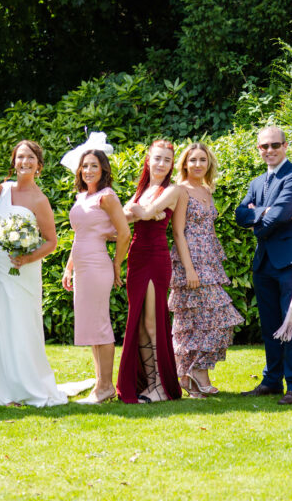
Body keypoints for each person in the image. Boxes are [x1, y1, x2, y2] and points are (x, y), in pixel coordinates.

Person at [0, 140, 68, 407]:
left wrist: (26, 258)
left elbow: (51, 241)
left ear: (39, 165)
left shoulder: (40, 200)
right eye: (20, 157)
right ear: (13, 161)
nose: (24, 162)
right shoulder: (1, 189)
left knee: (22, 324)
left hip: (24, 270)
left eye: (30, 158)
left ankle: (28, 383)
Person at [235, 126, 292, 405]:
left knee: (291, 324)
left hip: (289, 261)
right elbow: (239, 214)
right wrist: (263, 213)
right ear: (259, 149)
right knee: (269, 325)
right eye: (264, 146)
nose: (269, 150)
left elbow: (281, 214)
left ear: (285, 146)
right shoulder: (256, 182)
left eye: (275, 145)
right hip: (264, 262)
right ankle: (271, 381)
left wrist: (257, 218)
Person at [169, 142, 244, 398]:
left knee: (208, 321)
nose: (198, 164)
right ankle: (196, 374)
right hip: (190, 261)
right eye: (193, 160)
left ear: (208, 163)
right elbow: (178, 232)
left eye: (202, 160)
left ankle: (192, 376)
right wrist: (189, 269)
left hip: (209, 260)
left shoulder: (206, 190)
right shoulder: (181, 190)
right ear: (185, 164)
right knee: (198, 321)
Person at [115, 140, 182, 404]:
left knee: (153, 323)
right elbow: (123, 218)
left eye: (167, 160)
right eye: (157, 158)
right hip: (136, 258)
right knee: (139, 324)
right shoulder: (141, 190)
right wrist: (142, 212)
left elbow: (140, 214)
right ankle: (149, 383)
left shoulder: (173, 190)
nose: (161, 164)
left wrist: (143, 212)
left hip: (155, 258)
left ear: (172, 164)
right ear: (148, 160)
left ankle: (161, 387)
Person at [63, 149, 130, 404]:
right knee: (92, 327)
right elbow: (79, 235)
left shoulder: (107, 196)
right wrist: (69, 268)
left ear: (103, 170)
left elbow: (124, 233)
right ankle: (101, 384)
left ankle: (105, 387)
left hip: (97, 265)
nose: (88, 170)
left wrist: (117, 264)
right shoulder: (82, 197)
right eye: (85, 166)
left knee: (100, 325)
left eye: (94, 166)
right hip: (81, 267)